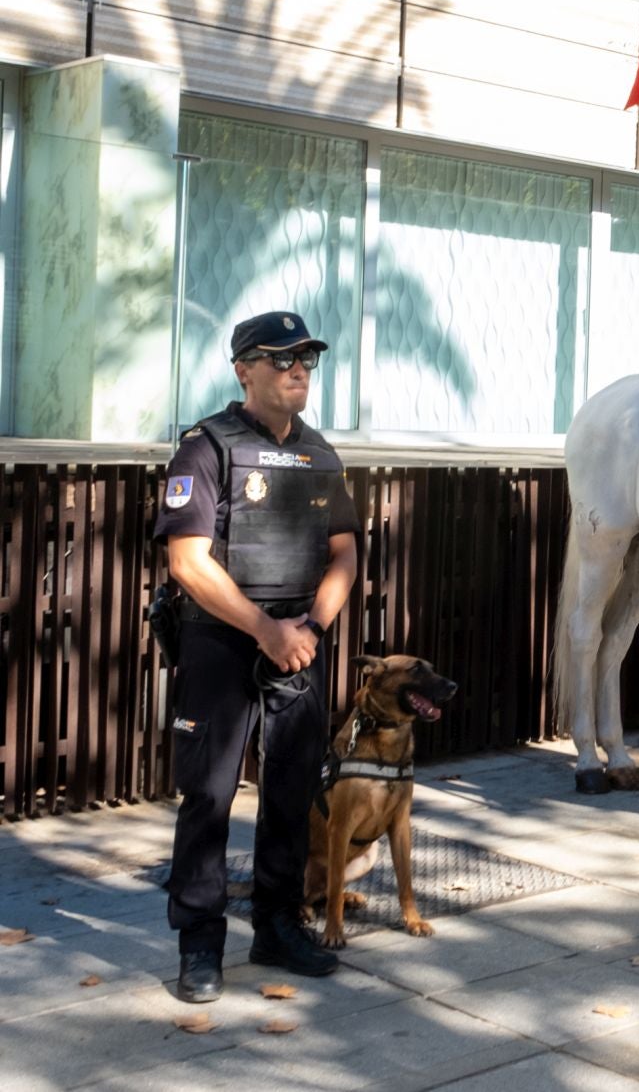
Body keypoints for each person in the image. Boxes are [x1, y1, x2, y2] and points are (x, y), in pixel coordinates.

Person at [158, 311, 361, 1003]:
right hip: (221, 639)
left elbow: (343, 549)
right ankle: (200, 943)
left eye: (306, 357)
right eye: (280, 358)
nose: (298, 368)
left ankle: (279, 925)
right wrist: (265, 631)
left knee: (293, 790)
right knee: (209, 794)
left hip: (299, 641)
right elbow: (187, 562)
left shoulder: (319, 452)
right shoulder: (207, 446)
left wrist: (309, 627)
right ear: (244, 369)